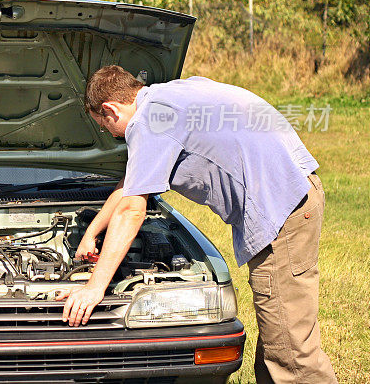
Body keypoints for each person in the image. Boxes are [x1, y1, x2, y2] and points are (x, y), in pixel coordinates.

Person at [57, 65, 336, 384]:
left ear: (110, 109)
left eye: (105, 127)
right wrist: (92, 233)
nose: (112, 135)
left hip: (283, 210)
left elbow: (133, 210)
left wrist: (94, 288)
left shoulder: (148, 122)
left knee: (291, 353)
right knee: (279, 336)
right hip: (296, 191)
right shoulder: (170, 96)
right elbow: (130, 185)